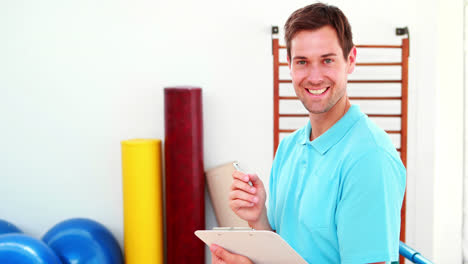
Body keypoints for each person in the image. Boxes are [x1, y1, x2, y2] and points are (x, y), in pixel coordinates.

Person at [210, 3, 406, 264]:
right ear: (289, 65)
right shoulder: (289, 148)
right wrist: (258, 218)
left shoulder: (370, 159)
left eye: (327, 60)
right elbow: (286, 255)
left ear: (351, 61)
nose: (314, 77)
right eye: (302, 62)